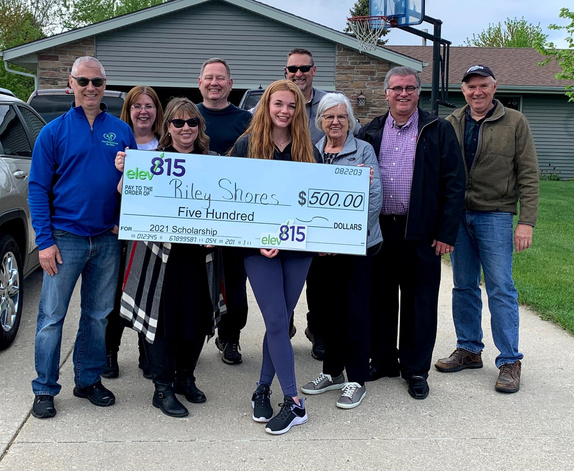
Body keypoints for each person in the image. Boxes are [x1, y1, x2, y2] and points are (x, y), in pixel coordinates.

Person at [28, 56, 137, 419]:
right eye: (84, 81)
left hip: (106, 239)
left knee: (98, 316)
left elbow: (136, 187)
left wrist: (126, 178)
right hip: (65, 238)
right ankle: (44, 387)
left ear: (106, 86)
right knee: (51, 317)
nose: (91, 88)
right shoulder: (53, 132)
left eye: (98, 82)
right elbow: (38, 189)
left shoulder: (121, 131)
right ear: (70, 85)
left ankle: (87, 380)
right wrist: (44, 242)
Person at [358, 66, 465, 400]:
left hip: (422, 232)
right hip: (380, 230)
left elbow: (454, 183)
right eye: (396, 88)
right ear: (386, 93)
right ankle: (384, 360)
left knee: (420, 303)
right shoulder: (370, 131)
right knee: (381, 299)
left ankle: (416, 369)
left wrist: (446, 232)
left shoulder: (437, 129)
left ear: (418, 92)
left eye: (409, 88)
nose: (403, 94)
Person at [435, 65, 539, 394]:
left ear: (494, 88)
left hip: (495, 215)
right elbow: (441, 172)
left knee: (500, 288)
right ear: (462, 91)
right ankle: (468, 349)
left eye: (483, 86)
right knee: (463, 286)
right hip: (458, 217)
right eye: (470, 87)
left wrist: (526, 221)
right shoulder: (451, 123)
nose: (477, 92)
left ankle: (509, 360)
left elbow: (529, 173)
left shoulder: (515, 122)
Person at [116, 97, 221, 418]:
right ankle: (161, 389)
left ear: (200, 127)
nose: (186, 128)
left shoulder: (215, 161)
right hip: (161, 257)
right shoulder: (153, 160)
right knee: (161, 321)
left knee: (197, 317)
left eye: (192, 122)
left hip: (200, 257)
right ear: (168, 127)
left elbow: (231, 208)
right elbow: (124, 192)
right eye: (178, 122)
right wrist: (126, 171)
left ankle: (184, 378)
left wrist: (217, 235)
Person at [230, 79, 321, 435]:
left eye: (292, 106)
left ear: (299, 111)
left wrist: (355, 183)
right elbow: (233, 200)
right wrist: (260, 237)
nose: (285, 111)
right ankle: (295, 402)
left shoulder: (307, 147)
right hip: (259, 250)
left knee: (279, 321)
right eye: (278, 104)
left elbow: (316, 198)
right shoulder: (246, 145)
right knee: (277, 319)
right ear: (266, 106)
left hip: (298, 248)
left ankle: (262, 388)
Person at [300, 93, 382, 409]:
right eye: (329, 117)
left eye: (341, 117)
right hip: (321, 251)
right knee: (326, 310)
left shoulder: (363, 151)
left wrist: (345, 239)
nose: (335, 122)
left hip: (356, 248)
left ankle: (356, 378)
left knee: (356, 311)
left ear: (350, 121)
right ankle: (332, 372)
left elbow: (374, 200)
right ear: (320, 121)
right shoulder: (312, 152)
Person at [102, 86, 164, 379]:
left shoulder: (165, 145)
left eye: (149, 105)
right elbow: (103, 191)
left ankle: (146, 353)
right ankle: (109, 352)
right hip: (119, 234)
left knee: (149, 293)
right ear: (128, 110)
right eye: (137, 105)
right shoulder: (116, 146)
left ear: (157, 112)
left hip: (155, 237)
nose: (143, 111)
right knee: (114, 297)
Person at [197, 58, 252, 365]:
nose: (214, 82)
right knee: (195, 283)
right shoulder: (187, 116)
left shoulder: (246, 120)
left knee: (234, 285)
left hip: (235, 217)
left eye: (220, 78)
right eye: (209, 77)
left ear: (230, 84)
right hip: (194, 214)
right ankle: (191, 338)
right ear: (200, 82)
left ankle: (230, 338)